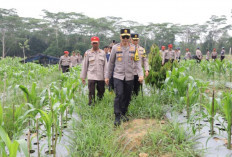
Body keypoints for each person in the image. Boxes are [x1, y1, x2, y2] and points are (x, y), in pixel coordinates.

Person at [105, 29, 144, 126]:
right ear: (120, 37)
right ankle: (117, 116)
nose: (125, 39)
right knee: (119, 94)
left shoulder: (133, 48)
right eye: (123, 37)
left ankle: (123, 113)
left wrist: (140, 74)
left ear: (130, 38)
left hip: (130, 76)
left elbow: (137, 62)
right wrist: (107, 76)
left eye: (127, 37)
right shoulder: (115, 48)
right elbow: (111, 63)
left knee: (127, 96)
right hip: (118, 75)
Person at [80, 36, 107, 106]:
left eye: (96, 43)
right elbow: (85, 65)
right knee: (91, 91)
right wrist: (83, 77)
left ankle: (100, 103)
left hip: (101, 76)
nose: (95, 44)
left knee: (101, 91)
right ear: (91, 43)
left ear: (99, 43)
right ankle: (91, 105)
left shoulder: (103, 53)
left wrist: (106, 77)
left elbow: (105, 66)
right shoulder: (88, 53)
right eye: (93, 43)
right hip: (91, 76)